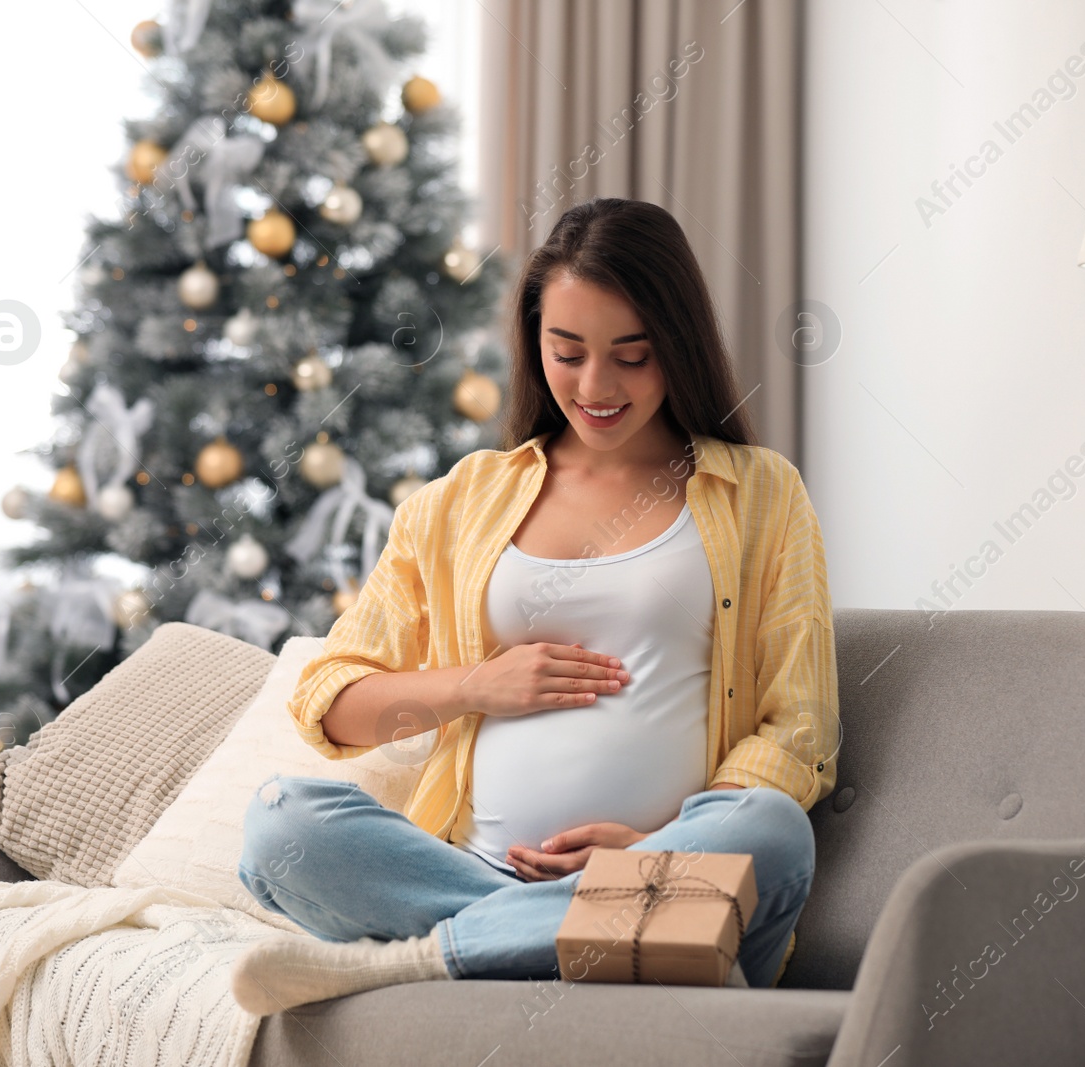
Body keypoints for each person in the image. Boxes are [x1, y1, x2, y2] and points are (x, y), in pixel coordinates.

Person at [231, 196, 840, 1015]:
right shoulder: (459, 503)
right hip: (481, 869)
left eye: (633, 354)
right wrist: (474, 686)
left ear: (679, 344)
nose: (596, 386)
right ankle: (606, 946)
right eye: (569, 351)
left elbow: (799, 727)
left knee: (771, 828)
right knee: (279, 823)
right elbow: (332, 702)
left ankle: (424, 960)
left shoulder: (760, 492)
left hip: (671, 870)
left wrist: (653, 853)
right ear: (534, 342)